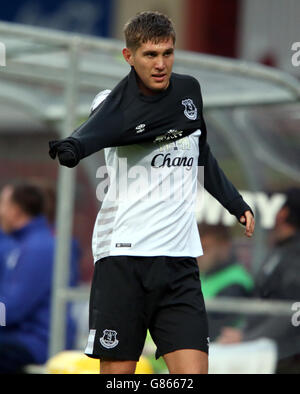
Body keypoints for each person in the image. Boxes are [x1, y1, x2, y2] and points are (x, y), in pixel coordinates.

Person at [49, 11, 255, 374]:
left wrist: (235, 203)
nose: (161, 64)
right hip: (124, 261)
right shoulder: (110, 104)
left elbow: (201, 152)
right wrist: (72, 147)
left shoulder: (189, 92)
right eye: (150, 55)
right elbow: (90, 134)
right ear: (129, 57)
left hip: (179, 262)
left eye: (168, 53)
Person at [218, 187, 300, 374]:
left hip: (282, 358)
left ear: (281, 213)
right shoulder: (280, 250)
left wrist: (246, 338)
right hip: (263, 349)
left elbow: (290, 310)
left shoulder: (295, 255)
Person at [0, 183, 78, 373]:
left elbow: (14, 309)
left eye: (3, 203)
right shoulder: (24, 243)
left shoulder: (39, 248)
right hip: (19, 336)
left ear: (16, 210)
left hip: (38, 341)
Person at [197, 224, 254, 341]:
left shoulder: (236, 283)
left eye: (205, 248)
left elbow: (211, 328)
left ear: (224, 246)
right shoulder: (205, 274)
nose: (198, 255)